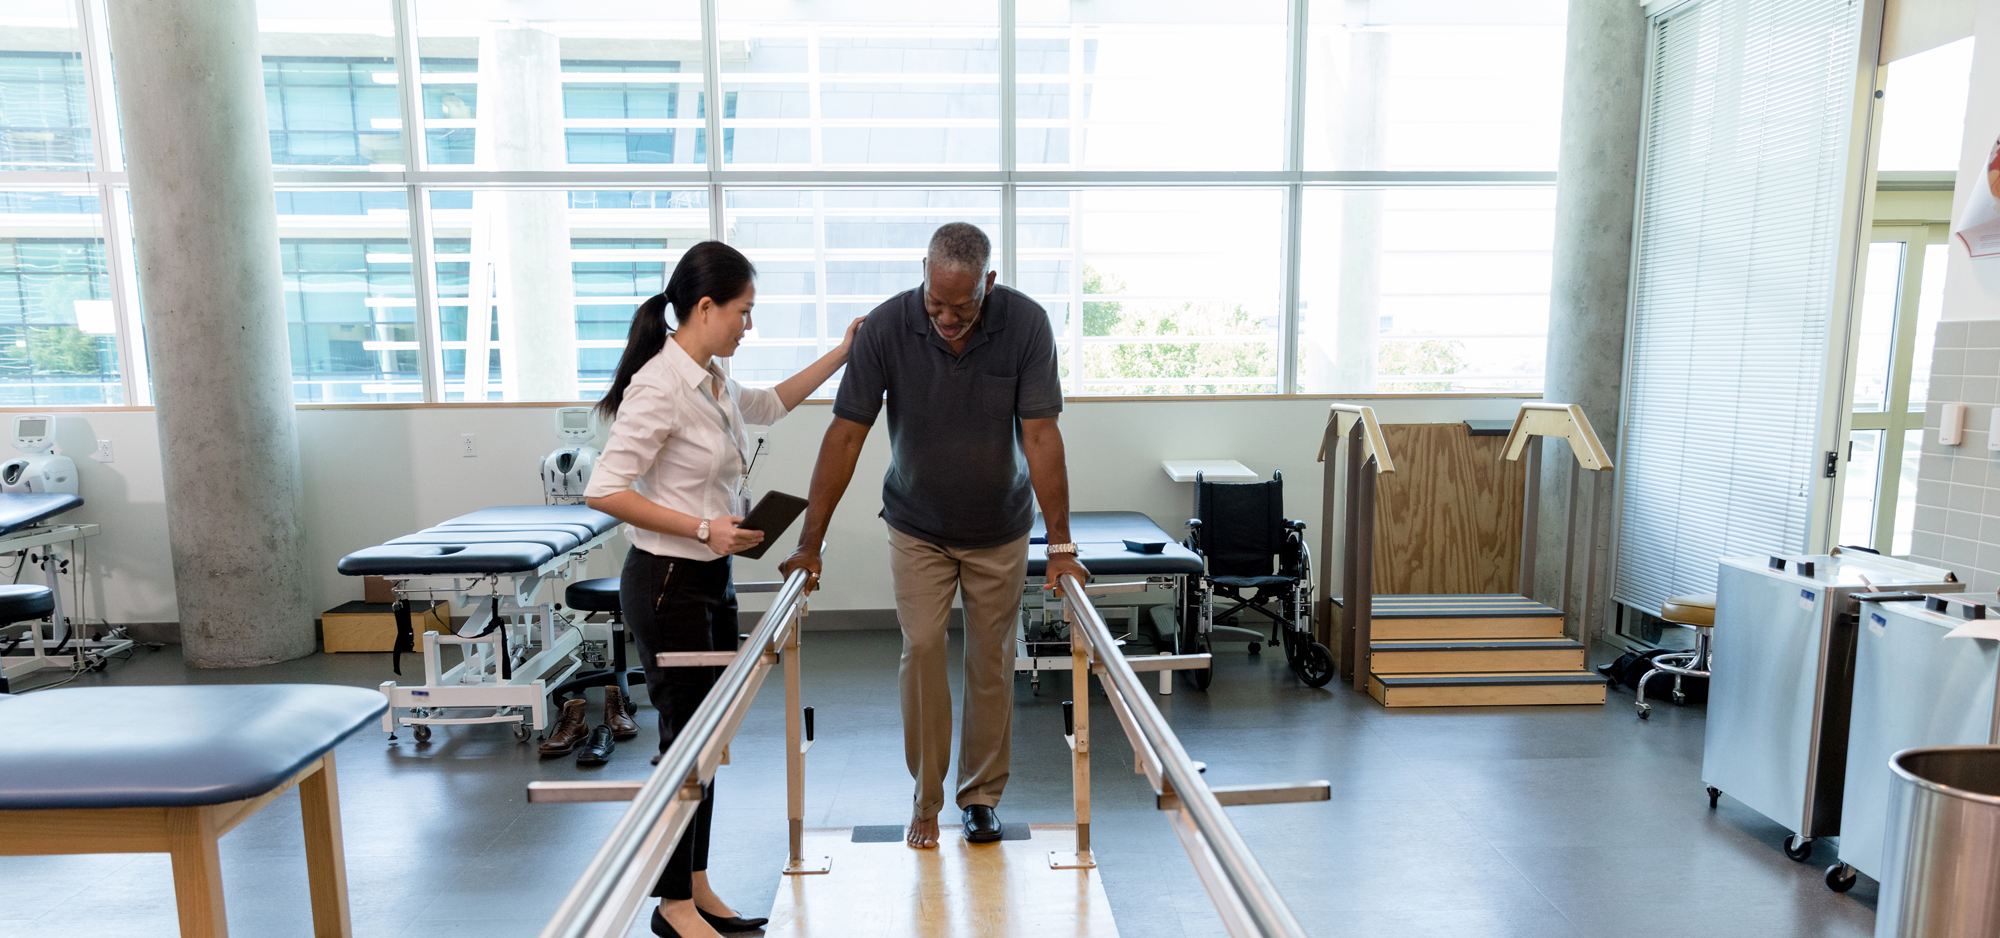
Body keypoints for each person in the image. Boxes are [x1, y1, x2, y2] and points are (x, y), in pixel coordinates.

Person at [779, 222, 1089, 849]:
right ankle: (925, 796)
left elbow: (1040, 435)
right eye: (935, 303)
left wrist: (1060, 546)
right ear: (923, 272)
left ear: (989, 284)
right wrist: (809, 542)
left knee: (990, 661)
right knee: (921, 647)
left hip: (999, 527)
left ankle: (980, 797)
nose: (946, 318)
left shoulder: (1026, 325)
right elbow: (846, 434)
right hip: (917, 523)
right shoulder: (886, 328)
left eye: (962, 306)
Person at [585, 241, 860, 938]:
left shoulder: (712, 377)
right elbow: (604, 490)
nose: (748, 325)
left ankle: (696, 883)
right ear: (705, 307)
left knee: (709, 743)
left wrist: (843, 352)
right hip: (667, 582)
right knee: (684, 744)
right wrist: (703, 527)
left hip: (710, 576)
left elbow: (772, 403)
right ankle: (672, 905)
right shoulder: (659, 385)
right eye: (743, 311)